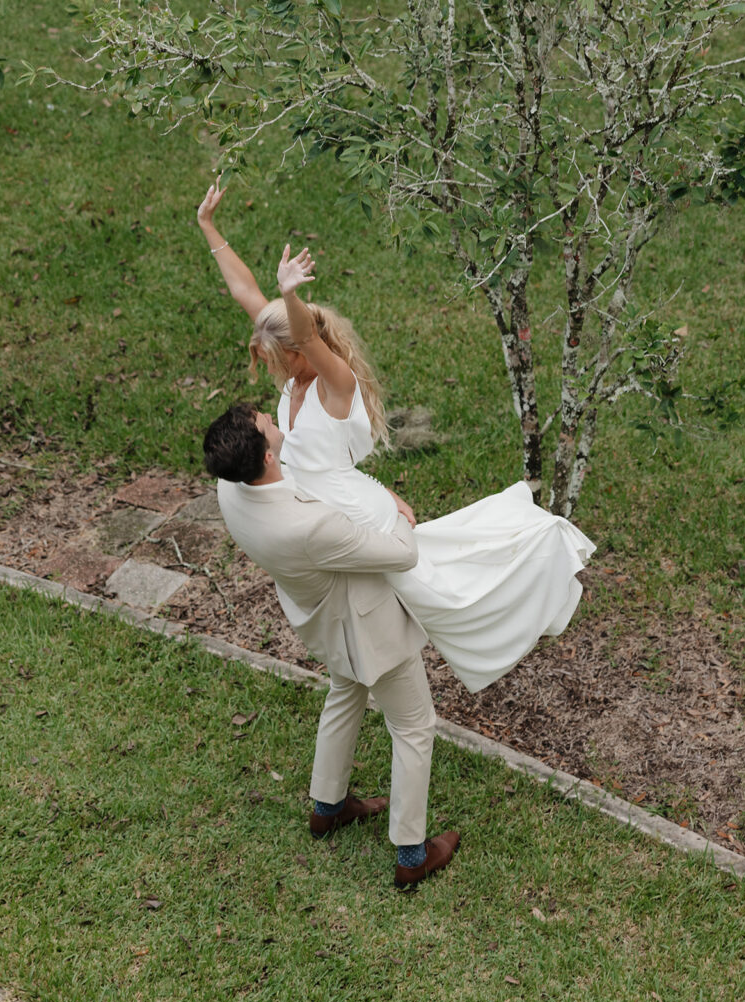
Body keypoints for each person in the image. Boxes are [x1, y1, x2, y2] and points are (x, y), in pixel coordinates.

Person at [198, 179, 596, 692]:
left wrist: (291, 293)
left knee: (442, 595)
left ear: (302, 349)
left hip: (356, 516)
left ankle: (528, 579)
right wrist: (209, 226)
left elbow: (302, 333)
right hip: (335, 505)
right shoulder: (295, 370)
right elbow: (244, 292)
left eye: (279, 358)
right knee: (415, 595)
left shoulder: (335, 382)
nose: (272, 367)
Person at [203, 403, 460, 889]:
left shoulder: (229, 488)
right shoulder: (310, 526)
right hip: (367, 628)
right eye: (266, 423)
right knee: (413, 727)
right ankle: (411, 853)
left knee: (345, 694)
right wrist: (397, 510)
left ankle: (329, 808)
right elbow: (403, 553)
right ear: (268, 459)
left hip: (320, 619)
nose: (270, 420)